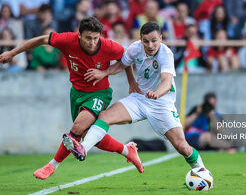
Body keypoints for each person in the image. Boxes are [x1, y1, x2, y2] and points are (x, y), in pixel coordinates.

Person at [0, 17, 143, 179]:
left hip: (99, 94)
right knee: (89, 136)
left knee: (77, 128)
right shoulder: (67, 40)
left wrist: (127, 80)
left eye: (96, 38)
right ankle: (127, 150)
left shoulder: (109, 46)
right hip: (77, 94)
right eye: (88, 38)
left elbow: (126, 60)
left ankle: (51, 166)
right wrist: (12, 53)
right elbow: (41, 40)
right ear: (79, 35)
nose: (92, 42)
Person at [63, 22, 207, 171]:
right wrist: (104, 72)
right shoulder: (135, 48)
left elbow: (166, 81)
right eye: (146, 41)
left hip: (161, 103)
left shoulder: (166, 54)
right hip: (139, 99)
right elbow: (122, 65)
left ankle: (203, 172)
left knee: (181, 147)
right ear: (141, 39)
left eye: (154, 41)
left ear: (161, 38)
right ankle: (83, 148)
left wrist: (156, 93)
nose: (150, 45)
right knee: (104, 116)